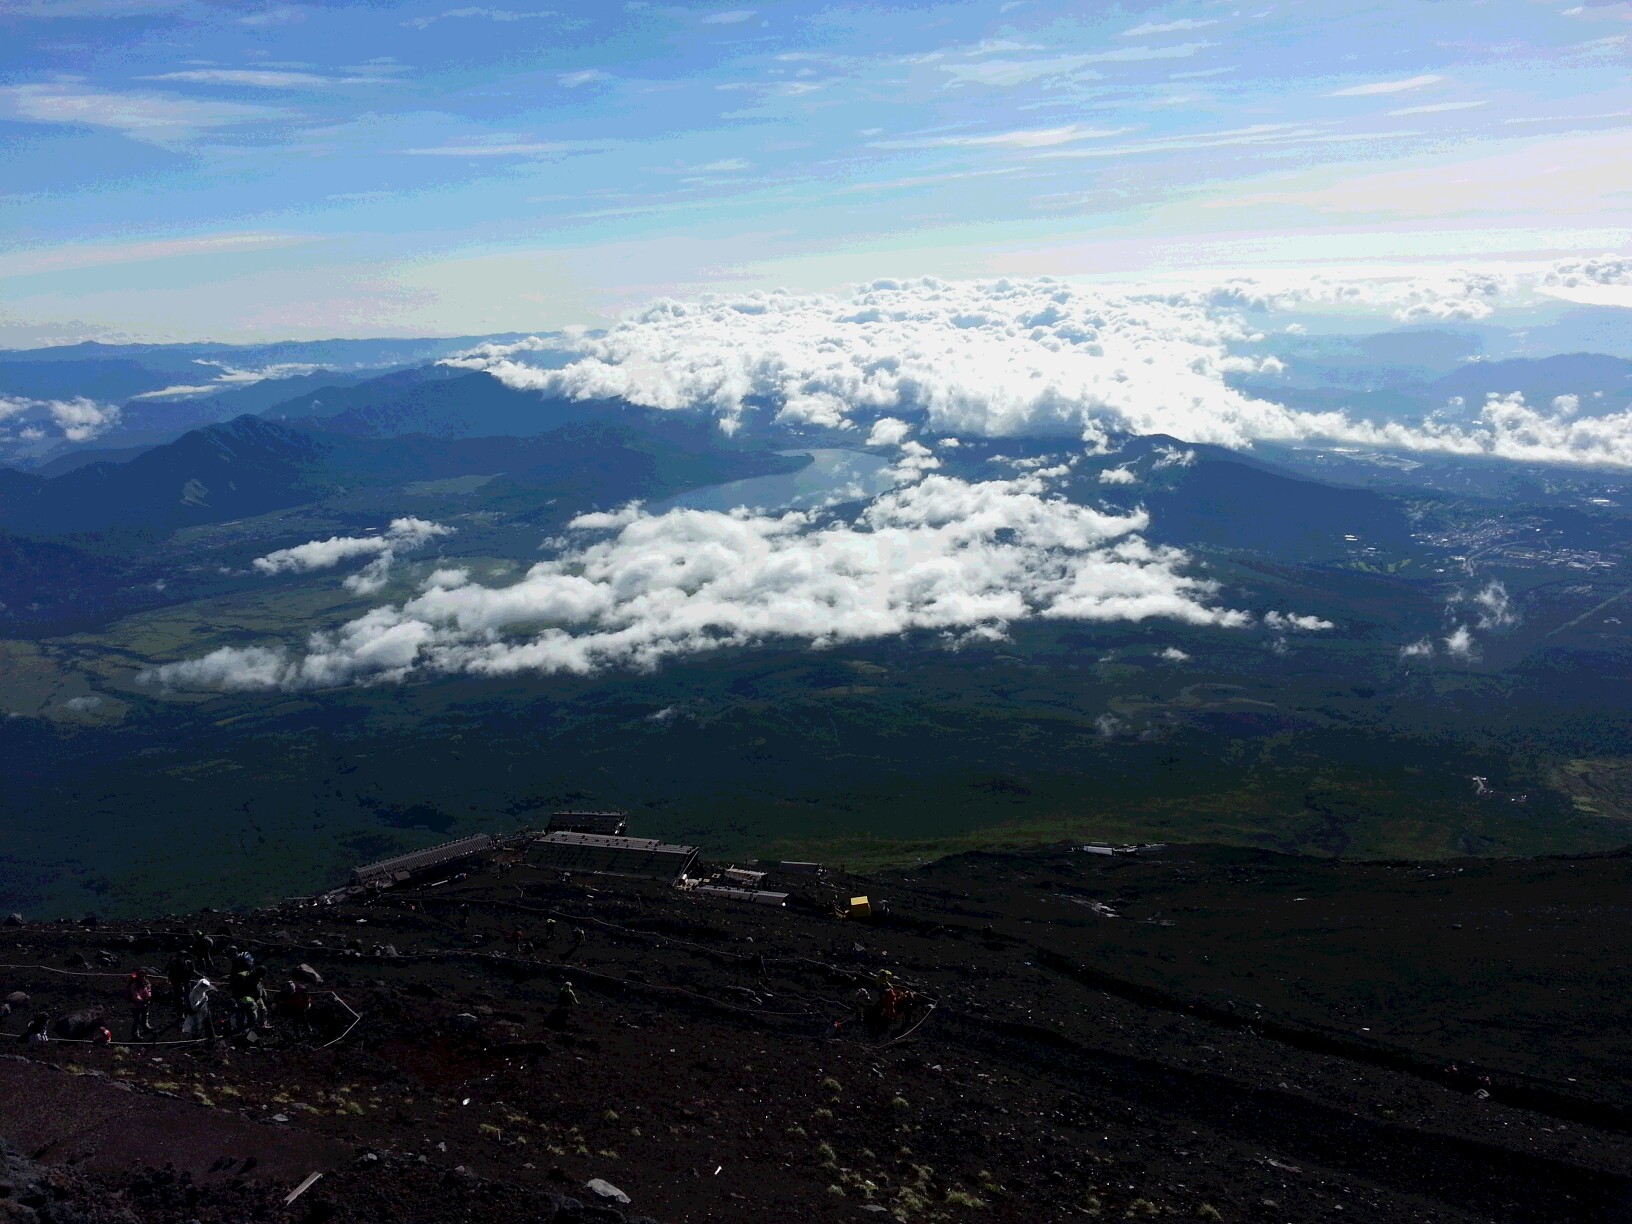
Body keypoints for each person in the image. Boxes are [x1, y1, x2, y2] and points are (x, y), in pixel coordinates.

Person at [165, 952, 196, 1020]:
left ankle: (189, 1010)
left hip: (186, 982)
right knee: (179, 999)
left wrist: (201, 976)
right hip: (177, 983)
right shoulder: (174, 964)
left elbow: (192, 971)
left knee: (188, 997)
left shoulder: (188, 963)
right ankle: (180, 1013)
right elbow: (170, 973)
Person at [126, 970, 154, 1041]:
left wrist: (148, 997)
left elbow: (149, 990)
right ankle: (135, 1033)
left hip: (144, 1001)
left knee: (145, 1014)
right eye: (141, 976)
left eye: (143, 976)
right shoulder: (135, 984)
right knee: (137, 1019)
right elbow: (135, 993)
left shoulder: (146, 983)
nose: (142, 977)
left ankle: (145, 1026)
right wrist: (140, 999)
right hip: (136, 1003)